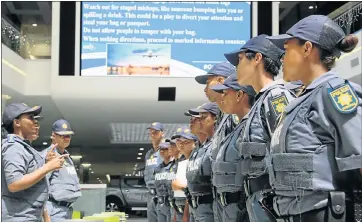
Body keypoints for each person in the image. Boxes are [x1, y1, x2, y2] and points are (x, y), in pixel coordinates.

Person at [265, 15, 362, 221]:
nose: (281, 58)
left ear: (307, 48)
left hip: (323, 213)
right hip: (295, 213)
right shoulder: (303, 98)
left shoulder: (335, 92)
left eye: (287, 48)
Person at [224, 34, 296, 222]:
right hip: (257, 199)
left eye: (239, 60)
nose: (236, 68)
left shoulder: (276, 96)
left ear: (257, 58)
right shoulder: (261, 100)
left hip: (270, 199)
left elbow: (287, 150)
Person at [1, 103, 67, 221]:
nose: (35, 122)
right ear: (17, 123)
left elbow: (34, 188)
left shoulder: (22, 147)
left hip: (28, 215)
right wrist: (47, 167)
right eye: (30, 117)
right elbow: (14, 184)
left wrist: (45, 162)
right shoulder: (13, 147)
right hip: (18, 217)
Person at [195, 62, 239, 222]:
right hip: (221, 200)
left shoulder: (234, 116)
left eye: (208, 83)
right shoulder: (223, 117)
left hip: (235, 200)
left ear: (221, 80)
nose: (205, 89)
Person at [210, 75, 256, 222]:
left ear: (239, 95)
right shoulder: (238, 129)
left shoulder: (252, 127)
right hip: (228, 206)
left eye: (225, 93)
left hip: (241, 207)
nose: (222, 98)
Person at [185, 102, 219, 222]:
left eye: (200, 117)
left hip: (210, 208)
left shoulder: (216, 145)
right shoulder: (196, 150)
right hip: (195, 208)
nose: (193, 121)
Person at [41, 119, 81, 221]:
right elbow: (40, 188)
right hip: (53, 210)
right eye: (63, 135)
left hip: (66, 210)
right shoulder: (49, 156)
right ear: (53, 136)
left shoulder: (66, 157)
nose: (67, 138)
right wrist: (46, 216)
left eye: (69, 135)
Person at [171, 126, 199, 222]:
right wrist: (175, 215)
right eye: (179, 142)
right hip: (179, 208)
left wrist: (186, 216)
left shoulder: (195, 161)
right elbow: (177, 193)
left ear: (194, 143)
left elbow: (190, 191)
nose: (181, 145)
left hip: (190, 210)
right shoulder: (181, 162)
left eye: (185, 142)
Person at [144, 122, 164, 222]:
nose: (152, 134)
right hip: (150, 195)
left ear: (162, 133)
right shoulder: (149, 154)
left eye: (155, 132)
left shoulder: (166, 150)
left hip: (162, 195)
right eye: (151, 132)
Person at [166, 134, 185, 222]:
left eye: (172, 145)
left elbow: (185, 190)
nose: (169, 147)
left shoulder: (184, 162)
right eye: (169, 145)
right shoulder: (173, 164)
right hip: (175, 206)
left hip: (184, 207)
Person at [154, 142, 173, 222]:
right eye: (160, 149)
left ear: (170, 150)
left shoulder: (174, 166)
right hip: (160, 204)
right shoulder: (157, 169)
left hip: (170, 204)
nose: (162, 151)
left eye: (165, 149)